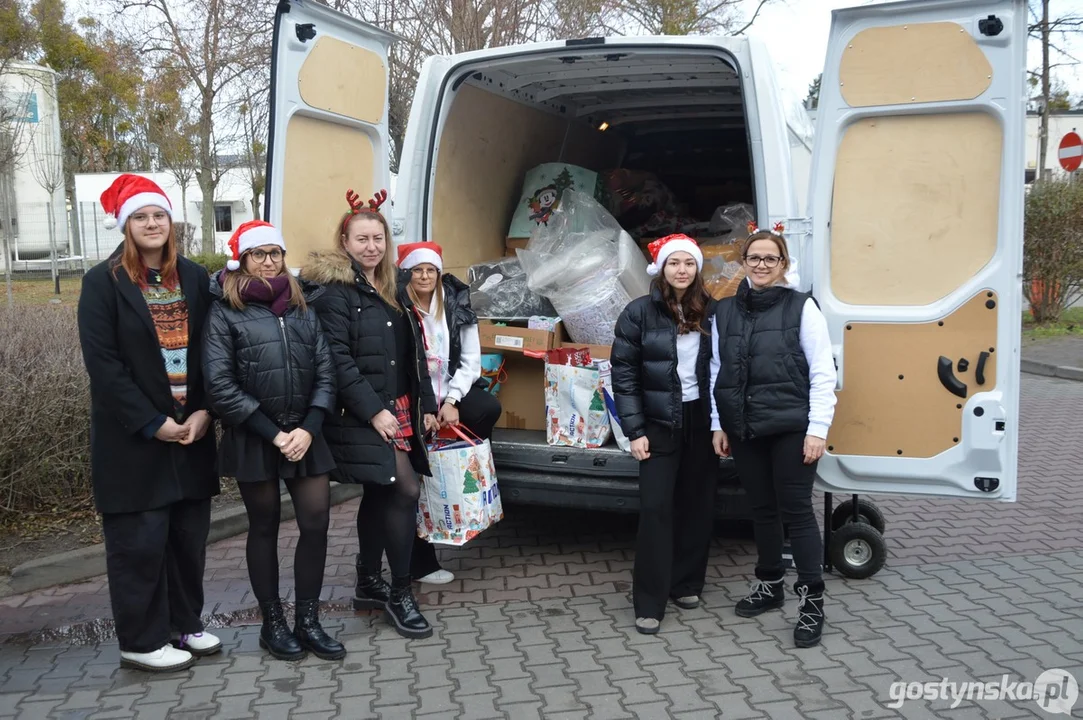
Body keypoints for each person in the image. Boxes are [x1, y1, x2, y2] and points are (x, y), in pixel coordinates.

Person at [76, 174, 220, 672]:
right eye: (141, 216)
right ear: (125, 225)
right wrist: (151, 421)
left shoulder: (198, 277)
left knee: (187, 539)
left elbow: (213, 350)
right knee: (140, 543)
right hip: (134, 441)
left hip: (192, 433)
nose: (152, 223)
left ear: (170, 220)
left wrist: (205, 410)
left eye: (158, 214)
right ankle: (141, 641)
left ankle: (185, 624)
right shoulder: (103, 282)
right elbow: (104, 365)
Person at [202, 220, 345, 661]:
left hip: (305, 433)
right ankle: (273, 623)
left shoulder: (302, 305)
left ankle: (308, 620)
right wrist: (274, 433)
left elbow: (326, 370)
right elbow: (220, 384)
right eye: (259, 253)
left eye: (275, 253)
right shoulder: (226, 310)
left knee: (316, 522)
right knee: (263, 527)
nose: (269, 261)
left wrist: (308, 426)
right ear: (242, 259)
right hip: (256, 436)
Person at [303, 189, 439, 639]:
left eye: (378, 238)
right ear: (344, 242)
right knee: (405, 488)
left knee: (382, 493)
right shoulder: (334, 294)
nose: (371, 247)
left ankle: (367, 582)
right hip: (361, 412)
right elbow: (337, 360)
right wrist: (375, 412)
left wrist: (427, 405)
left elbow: (413, 353)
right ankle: (400, 593)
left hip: (399, 406)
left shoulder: (393, 287)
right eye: (361, 238)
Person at [709, 222, 838, 648]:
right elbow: (717, 371)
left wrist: (817, 430)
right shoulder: (724, 311)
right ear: (743, 262)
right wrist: (718, 423)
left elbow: (823, 373)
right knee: (762, 510)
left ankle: (811, 603)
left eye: (771, 258)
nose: (762, 264)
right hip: (744, 428)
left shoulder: (802, 307)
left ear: (783, 264)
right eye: (754, 257)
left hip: (791, 428)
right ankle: (769, 585)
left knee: (796, 512)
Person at [611, 234, 719, 636]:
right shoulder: (639, 313)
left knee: (697, 503)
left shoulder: (712, 312)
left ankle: (686, 583)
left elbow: (724, 369)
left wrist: (721, 424)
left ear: (697, 269)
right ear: (661, 269)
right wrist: (634, 430)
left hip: (700, 420)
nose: (682, 270)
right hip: (658, 423)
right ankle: (649, 602)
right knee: (656, 508)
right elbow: (623, 375)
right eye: (674, 263)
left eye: (688, 264)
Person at [396, 242, 504, 585]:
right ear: (406, 274)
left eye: (431, 270)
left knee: (487, 408)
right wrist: (427, 407)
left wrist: (452, 401)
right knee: (414, 481)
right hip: (413, 398)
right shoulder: (399, 307)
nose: (425, 276)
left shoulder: (455, 303)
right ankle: (419, 562)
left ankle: (453, 462)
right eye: (417, 270)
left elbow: (472, 360)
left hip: (449, 393)